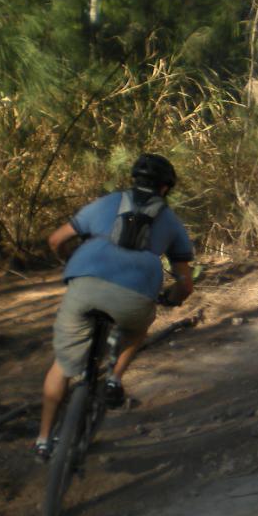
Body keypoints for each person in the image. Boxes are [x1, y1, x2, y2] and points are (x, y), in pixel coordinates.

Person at [35, 153, 194, 460]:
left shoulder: (105, 203)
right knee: (136, 330)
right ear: (165, 188)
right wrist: (172, 298)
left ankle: (43, 440)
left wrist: (70, 263)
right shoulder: (172, 222)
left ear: (134, 179)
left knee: (62, 366)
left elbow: (56, 239)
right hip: (135, 296)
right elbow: (185, 283)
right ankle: (114, 378)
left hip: (83, 286)